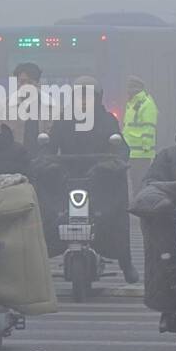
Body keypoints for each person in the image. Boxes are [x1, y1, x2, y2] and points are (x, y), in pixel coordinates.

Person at [48, 76, 138, 283]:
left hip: (101, 181)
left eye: (89, 97)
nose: (84, 101)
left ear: (98, 99)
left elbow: (121, 148)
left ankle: (126, 262)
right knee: (45, 209)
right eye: (80, 97)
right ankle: (39, 261)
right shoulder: (62, 122)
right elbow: (49, 149)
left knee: (118, 215)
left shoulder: (108, 121)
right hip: (67, 179)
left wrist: (109, 166)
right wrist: (50, 165)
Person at [123, 75, 158, 193]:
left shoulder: (146, 104)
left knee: (140, 183)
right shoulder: (132, 104)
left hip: (141, 154)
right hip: (132, 153)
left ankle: (140, 206)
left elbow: (149, 128)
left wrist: (146, 149)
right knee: (134, 183)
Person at [10, 62, 50, 153]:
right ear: (17, 83)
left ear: (38, 83)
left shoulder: (51, 107)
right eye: (22, 82)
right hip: (14, 161)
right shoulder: (5, 108)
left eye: (30, 82)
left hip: (43, 161)